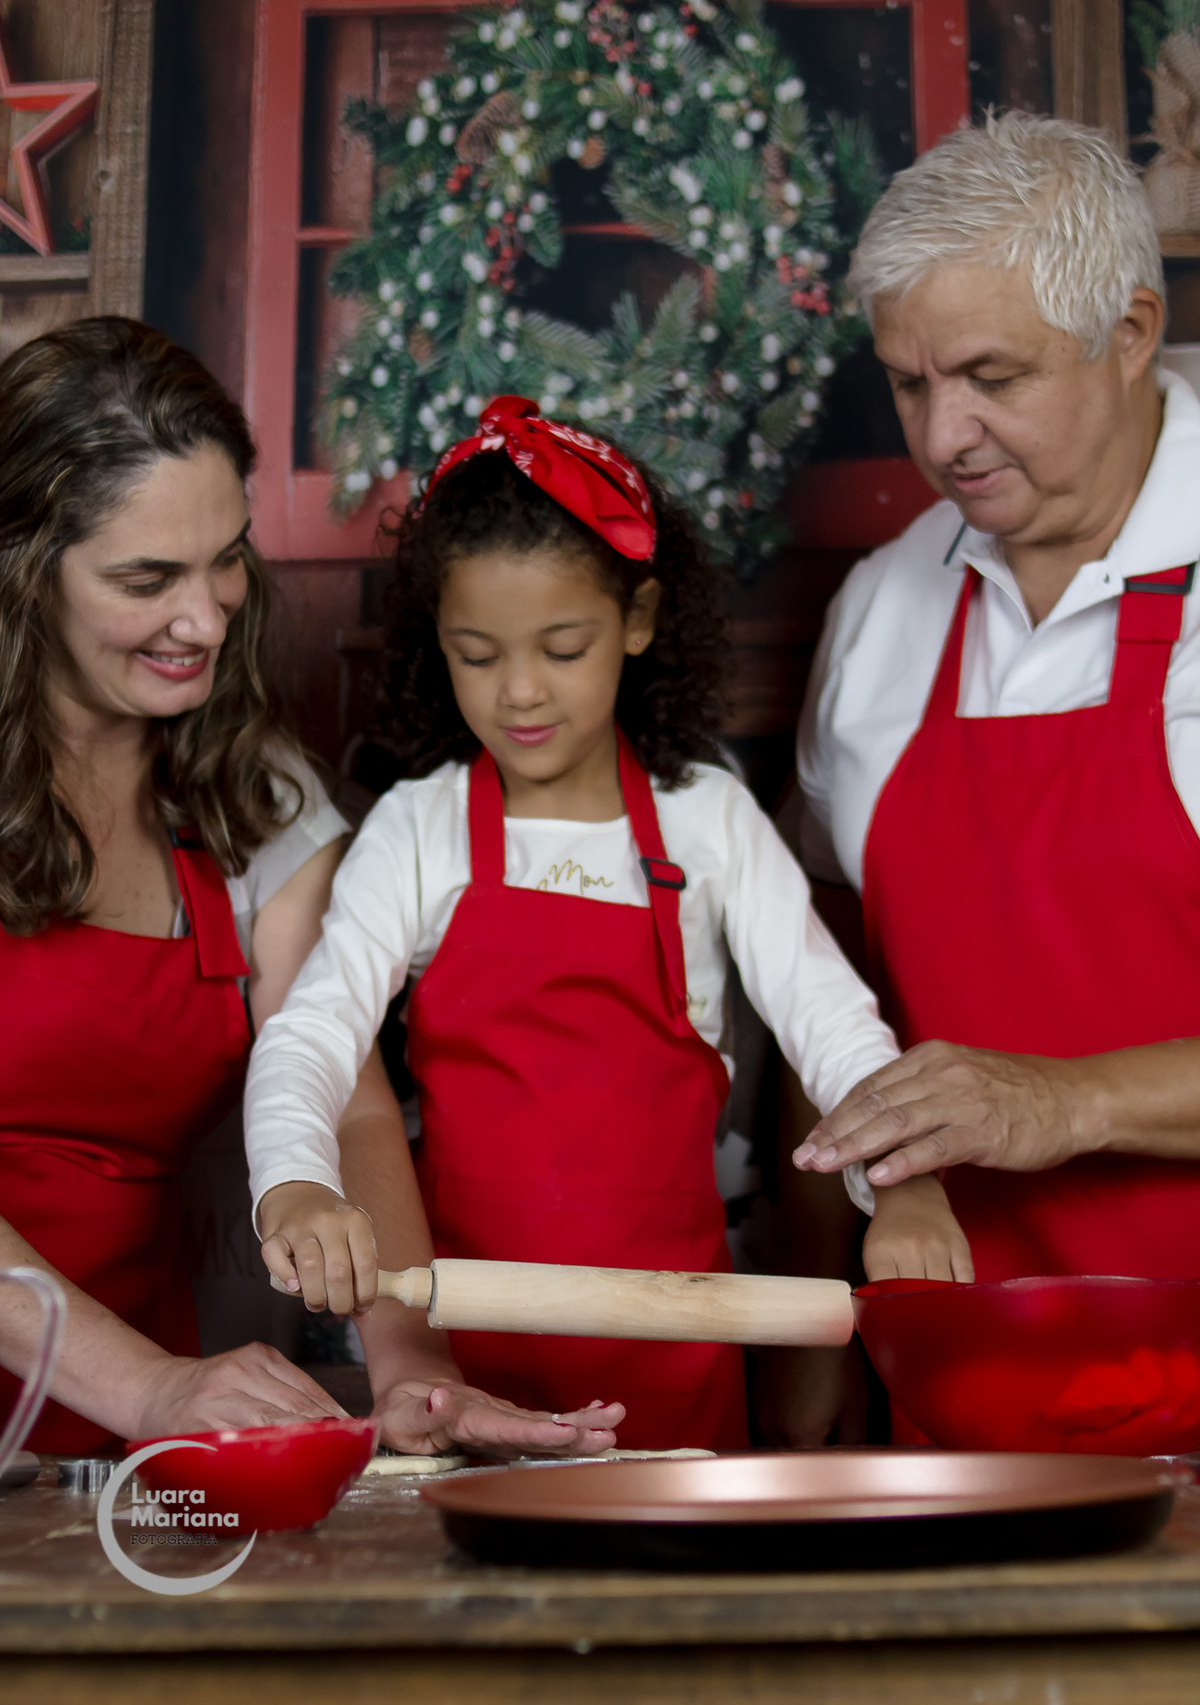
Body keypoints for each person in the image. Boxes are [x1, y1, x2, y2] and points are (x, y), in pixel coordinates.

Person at [242, 396, 935, 1452]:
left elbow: (832, 1025)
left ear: (640, 621)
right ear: (440, 638)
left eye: (563, 648)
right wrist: (292, 1179)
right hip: (469, 1375)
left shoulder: (708, 818)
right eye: (479, 654)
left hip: (679, 1362)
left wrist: (910, 1184)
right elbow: (310, 1030)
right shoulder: (419, 829)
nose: (521, 692)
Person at [0, 324, 604, 1460]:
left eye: (226, 557)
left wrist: (413, 1366)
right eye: (146, 580)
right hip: (131, 1386)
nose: (207, 618)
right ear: (20, 573)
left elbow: (344, 1095)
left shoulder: (250, 799)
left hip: (128, 1423)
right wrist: (146, 1389)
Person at [793, 111, 1200, 1294]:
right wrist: (822, 1330)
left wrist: (1064, 1100)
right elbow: (818, 982)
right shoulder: (880, 608)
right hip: (958, 1384)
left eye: (991, 377)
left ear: (1129, 332)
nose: (943, 437)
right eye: (909, 384)